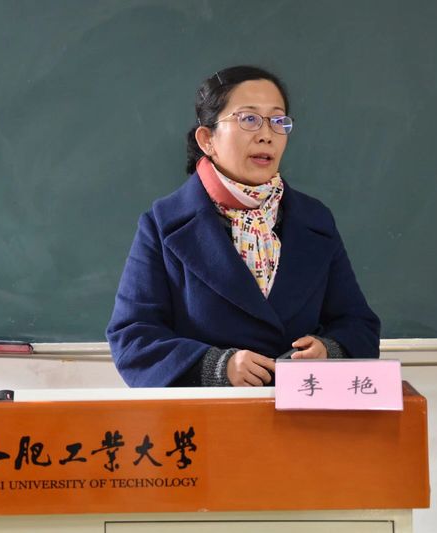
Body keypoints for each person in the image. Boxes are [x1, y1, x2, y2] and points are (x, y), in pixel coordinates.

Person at [107, 65, 380, 387]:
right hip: (210, 412)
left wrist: (328, 351)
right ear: (207, 139)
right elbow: (133, 338)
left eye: (278, 121)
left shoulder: (314, 219)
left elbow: (358, 324)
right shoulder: (163, 224)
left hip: (304, 407)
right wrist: (218, 368)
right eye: (249, 119)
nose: (266, 135)